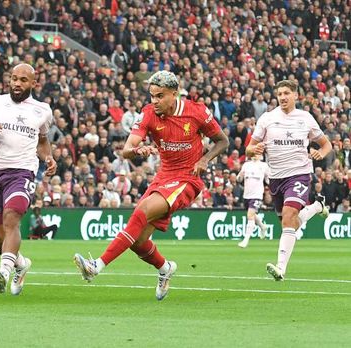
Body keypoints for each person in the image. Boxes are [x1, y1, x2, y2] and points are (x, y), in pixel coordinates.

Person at [74, 71, 229, 300]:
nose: (154, 101)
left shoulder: (196, 112)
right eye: (152, 96)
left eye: (160, 96)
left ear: (174, 94)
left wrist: (205, 159)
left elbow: (222, 140)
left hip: (187, 179)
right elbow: (127, 149)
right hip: (163, 177)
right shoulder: (148, 114)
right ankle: (165, 268)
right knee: (138, 242)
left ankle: (97, 265)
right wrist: (137, 151)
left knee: (142, 212)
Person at [0, 63, 56, 295]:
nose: (17, 83)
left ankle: (4, 271)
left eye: (23, 80)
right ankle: (21, 264)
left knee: (11, 216)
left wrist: (49, 158)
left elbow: (42, 140)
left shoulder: (42, 110)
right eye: (14, 78)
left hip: (22, 171)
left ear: (34, 83)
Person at [246, 79, 331, 281]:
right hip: (276, 178)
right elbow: (249, 147)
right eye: (280, 94)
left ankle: (280, 268)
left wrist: (320, 152)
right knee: (290, 223)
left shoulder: (306, 118)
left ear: (295, 96)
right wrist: (253, 150)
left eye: (286, 93)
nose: (283, 97)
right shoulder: (267, 119)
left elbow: (326, 144)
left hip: (299, 174)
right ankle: (317, 206)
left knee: (289, 214)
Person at [236, 154, 270, 248]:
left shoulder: (264, 166)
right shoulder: (246, 165)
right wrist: (239, 176)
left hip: (257, 195)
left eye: (257, 153)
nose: (255, 155)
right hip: (247, 195)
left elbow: (268, 180)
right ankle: (263, 226)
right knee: (252, 215)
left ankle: (245, 240)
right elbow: (239, 178)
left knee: (250, 215)